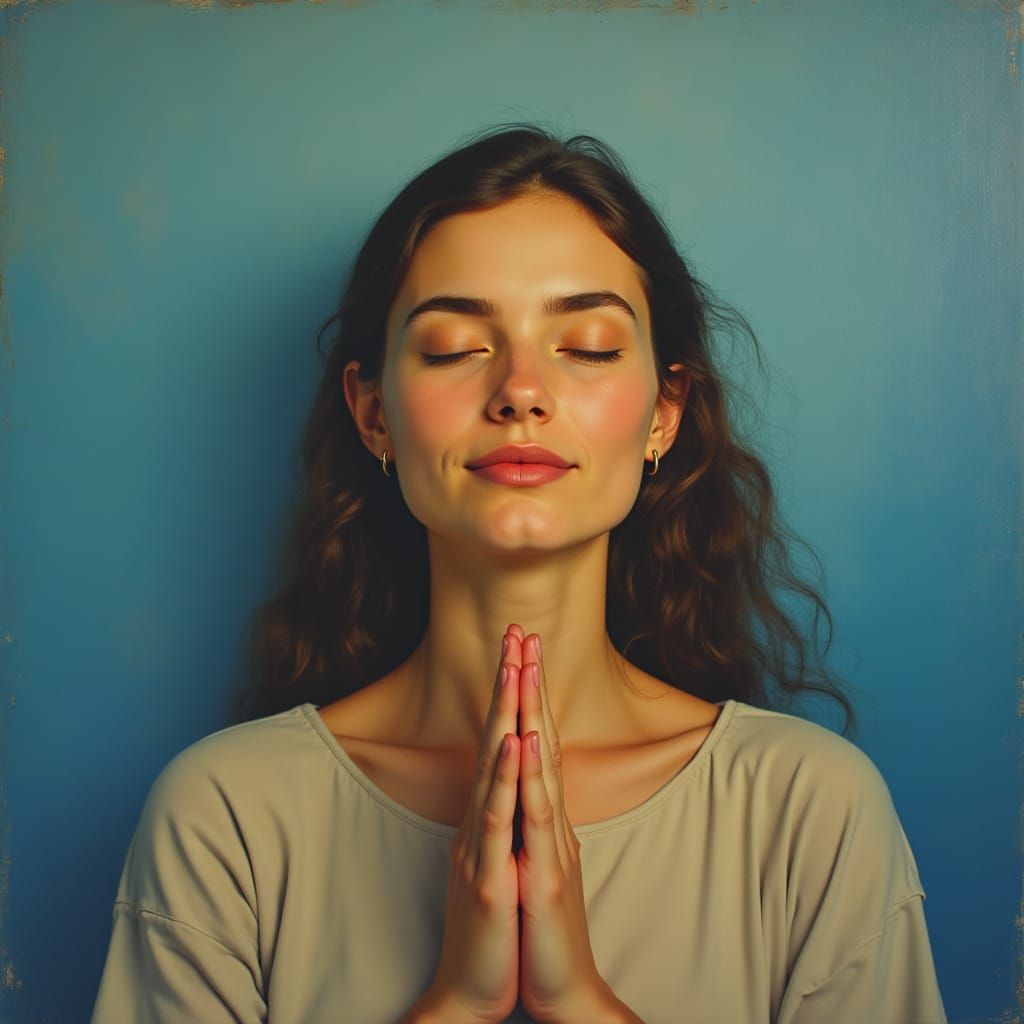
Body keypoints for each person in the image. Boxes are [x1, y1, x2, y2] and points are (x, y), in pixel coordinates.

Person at [90, 122, 948, 1023]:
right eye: (457, 345)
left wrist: (579, 1000)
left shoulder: (810, 812)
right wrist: (456, 1002)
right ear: (374, 415)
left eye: (586, 346)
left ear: (665, 411)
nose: (522, 389)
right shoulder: (225, 818)